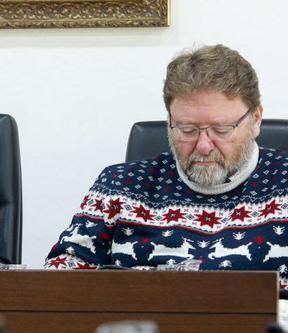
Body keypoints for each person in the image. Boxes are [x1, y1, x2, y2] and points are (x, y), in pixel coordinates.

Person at [45, 44, 288, 285]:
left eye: (221, 129)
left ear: (256, 119)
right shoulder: (120, 186)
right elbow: (59, 277)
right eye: (187, 129)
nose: (203, 146)